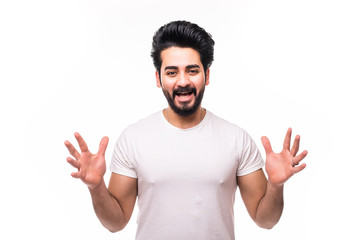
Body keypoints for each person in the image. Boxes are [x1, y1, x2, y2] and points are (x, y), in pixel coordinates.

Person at [64, 20, 308, 239]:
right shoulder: (133, 139)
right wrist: (96, 187)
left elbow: (265, 221)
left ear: (207, 75)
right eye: (172, 72)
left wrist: (276, 185)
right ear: (159, 78)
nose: (182, 81)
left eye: (192, 70)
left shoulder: (237, 140)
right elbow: (116, 223)